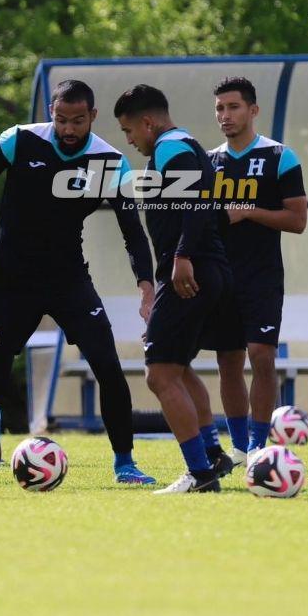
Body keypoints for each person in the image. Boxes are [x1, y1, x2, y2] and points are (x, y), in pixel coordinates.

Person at [0, 79, 157, 485]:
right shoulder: (18, 141)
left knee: (108, 367)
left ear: (92, 116)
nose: (69, 130)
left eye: (78, 121)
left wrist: (146, 284)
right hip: (9, 281)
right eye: (61, 120)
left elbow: (132, 231)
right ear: (49, 114)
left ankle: (125, 463)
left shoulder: (109, 163)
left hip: (69, 280)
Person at [113, 84, 234, 494]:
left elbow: (199, 200)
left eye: (129, 131)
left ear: (148, 122)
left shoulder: (170, 146)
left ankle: (200, 474)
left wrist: (183, 256)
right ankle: (213, 455)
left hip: (190, 272)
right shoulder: (180, 145)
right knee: (178, 369)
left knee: (159, 375)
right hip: (205, 270)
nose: (129, 140)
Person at [207, 77, 307, 465]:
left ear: (253, 110)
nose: (225, 116)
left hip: (261, 276)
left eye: (233, 107)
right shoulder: (209, 161)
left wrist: (248, 211)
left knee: (261, 356)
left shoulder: (280, 156)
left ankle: (258, 445)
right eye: (219, 108)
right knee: (227, 359)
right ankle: (236, 447)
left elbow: (297, 220)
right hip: (220, 276)